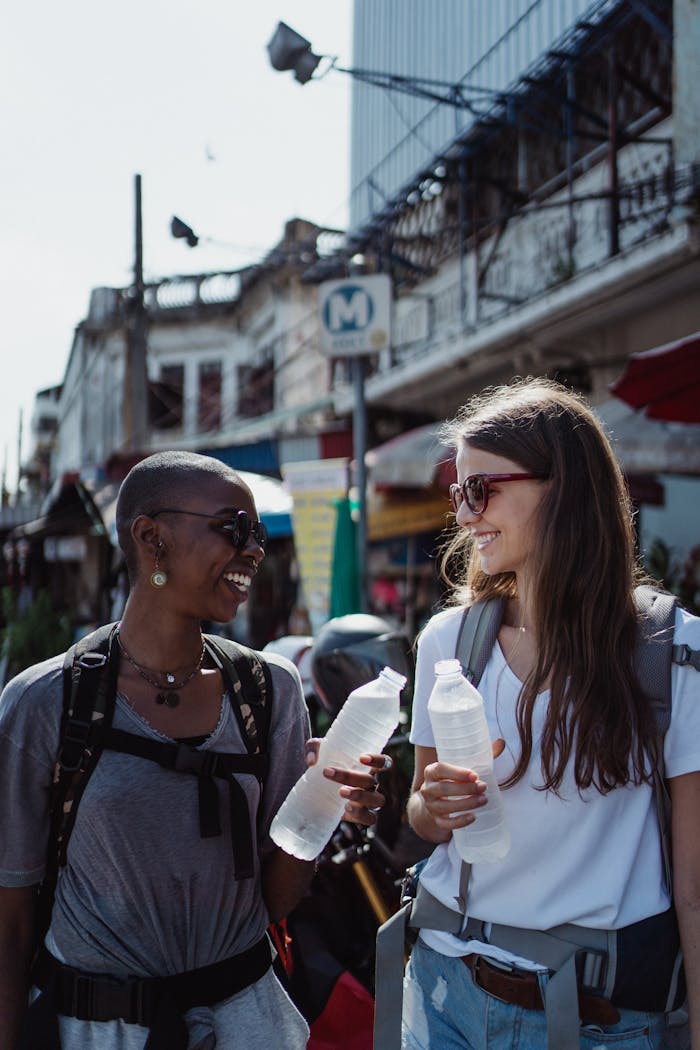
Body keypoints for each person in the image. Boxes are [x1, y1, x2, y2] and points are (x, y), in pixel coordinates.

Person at [0, 450, 389, 1050]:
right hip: (97, 1031)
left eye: (258, 533)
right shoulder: (46, 702)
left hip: (246, 1025)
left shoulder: (269, 691)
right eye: (236, 528)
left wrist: (323, 804)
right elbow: (12, 919)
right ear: (152, 537)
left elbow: (276, 899)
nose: (255, 550)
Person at [402, 377, 700, 1049]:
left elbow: (695, 888)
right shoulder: (451, 642)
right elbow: (420, 818)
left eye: (481, 489)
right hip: (445, 992)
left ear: (561, 487)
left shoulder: (673, 649)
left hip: (599, 1015)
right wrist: (434, 806)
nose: (465, 514)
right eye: (458, 492)